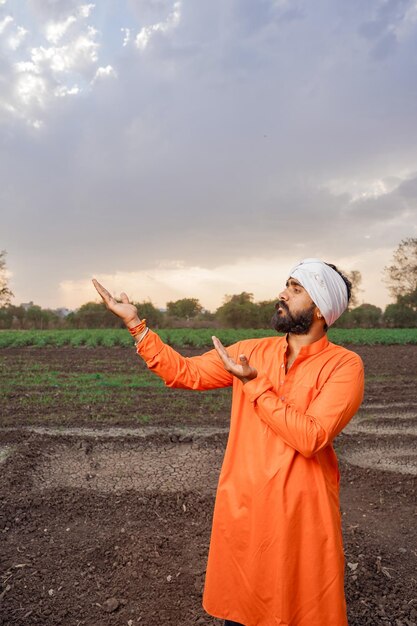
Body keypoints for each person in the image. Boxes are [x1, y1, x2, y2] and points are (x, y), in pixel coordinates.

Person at [92, 258, 364, 626]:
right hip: (246, 508)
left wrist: (254, 384)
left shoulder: (344, 366)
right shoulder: (251, 350)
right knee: (242, 608)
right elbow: (184, 372)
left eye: (296, 289)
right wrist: (135, 326)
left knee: (300, 608)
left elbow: (310, 437)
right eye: (286, 284)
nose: (282, 294)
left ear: (320, 307)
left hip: (302, 515)